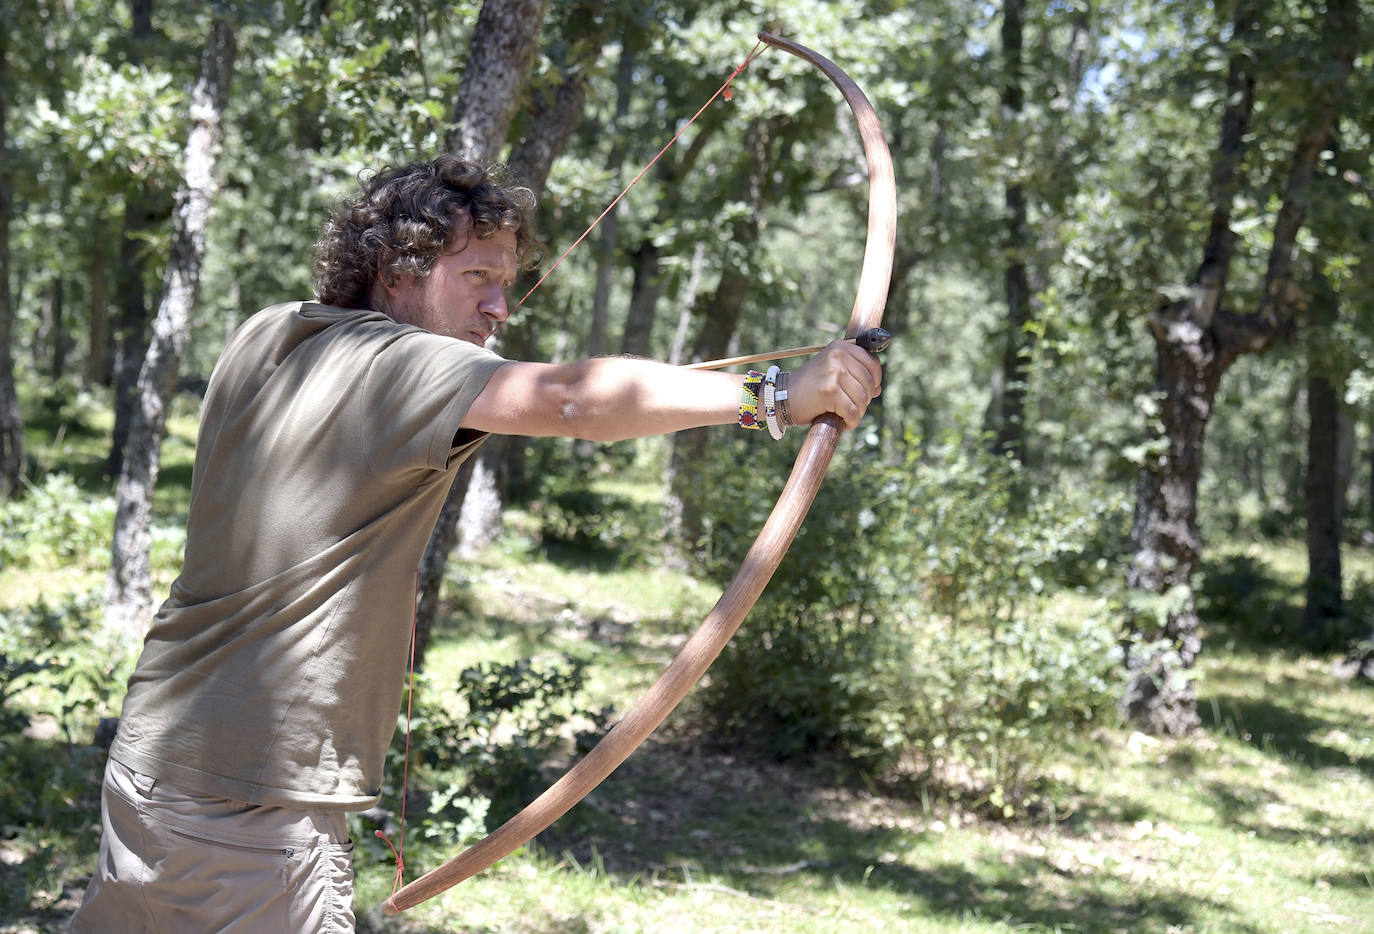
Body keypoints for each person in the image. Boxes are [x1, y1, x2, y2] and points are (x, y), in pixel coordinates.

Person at [69, 154, 882, 933]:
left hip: (154, 763)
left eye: (507, 282)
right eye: (477, 278)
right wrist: (776, 393)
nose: (500, 307)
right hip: (256, 800)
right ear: (396, 269)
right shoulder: (398, 367)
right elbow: (569, 400)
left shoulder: (270, 333)